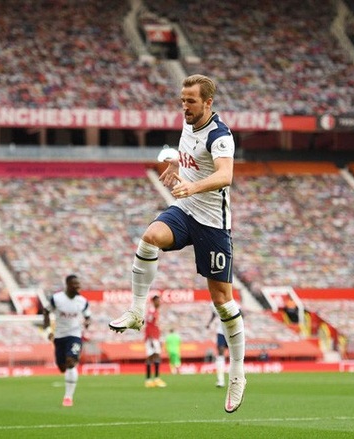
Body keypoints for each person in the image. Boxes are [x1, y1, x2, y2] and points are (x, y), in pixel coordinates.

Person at [109, 74, 246, 413]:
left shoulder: (220, 135)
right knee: (150, 237)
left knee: (223, 303)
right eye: (182, 100)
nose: (184, 106)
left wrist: (192, 187)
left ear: (208, 103)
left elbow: (225, 176)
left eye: (191, 101)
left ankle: (238, 373)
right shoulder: (188, 124)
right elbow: (189, 155)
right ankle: (137, 311)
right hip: (186, 210)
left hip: (213, 223)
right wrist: (175, 162)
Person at [42, 274, 91, 407]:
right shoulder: (57, 299)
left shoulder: (83, 301)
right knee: (62, 367)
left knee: (71, 362)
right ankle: (67, 376)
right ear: (68, 285)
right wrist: (48, 331)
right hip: (59, 336)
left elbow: (88, 316)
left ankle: (68, 397)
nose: (78, 287)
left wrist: (87, 322)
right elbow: (46, 312)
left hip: (75, 335)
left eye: (78, 284)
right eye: (75, 284)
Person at [144, 295, 167, 388]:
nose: (159, 303)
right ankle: (153, 379)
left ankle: (151, 380)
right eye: (157, 301)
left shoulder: (155, 311)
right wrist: (151, 339)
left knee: (154, 356)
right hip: (151, 338)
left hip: (155, 337)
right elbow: (148, 326)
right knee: (153, 356)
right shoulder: (152, 312)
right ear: (153, 301)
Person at [206, 303, 228, 388]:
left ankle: (238, 379)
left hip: (233, 331)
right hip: (221, 332)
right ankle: (220, 380)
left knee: (235, 355)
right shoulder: (213, 304)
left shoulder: (233, 303)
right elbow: (214, 314)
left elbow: (241, 314)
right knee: (220, 354)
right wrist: (209, 323)